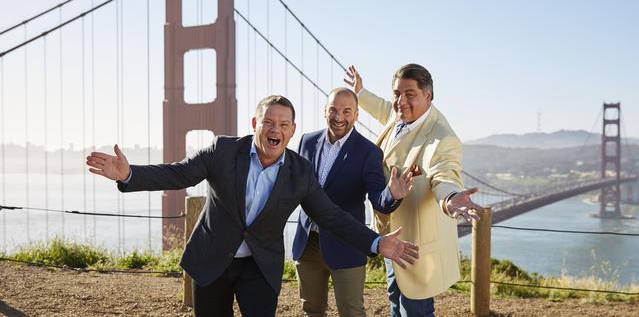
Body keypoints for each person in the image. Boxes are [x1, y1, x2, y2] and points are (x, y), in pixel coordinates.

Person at [85, 95, 419, 317]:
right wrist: (129, 174)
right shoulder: (223, 151)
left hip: (259, 266)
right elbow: (179, 173)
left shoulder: (300, 172)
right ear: (254, 124)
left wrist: (377, 242)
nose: (276, 130)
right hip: (212, 259)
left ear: (292, 131)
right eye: (269, 122)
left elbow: (330, 216)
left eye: (284, 125)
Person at [345, 65, 483, 317]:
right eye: (397, 93)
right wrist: (360, 92)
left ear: (428, 96)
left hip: (416, 246)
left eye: (410, 94)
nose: (401, 101)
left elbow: (444, 172)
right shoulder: (399, 114)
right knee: (395, 301)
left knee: (415, 310)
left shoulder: (441, 138)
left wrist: (451, 198)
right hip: (391, 236)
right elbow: (384, 108)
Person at [292, 88, 411, 317]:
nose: (339, 117)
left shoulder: (369, 152)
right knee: (311, 310)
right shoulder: (306, 142)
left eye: (347, 111)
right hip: (308, 243)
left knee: (352, 312)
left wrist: (392, 194)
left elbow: (378, 200)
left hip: (347, 245)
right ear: (324, 111)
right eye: (333, 110)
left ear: (357, 115)